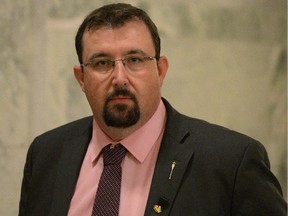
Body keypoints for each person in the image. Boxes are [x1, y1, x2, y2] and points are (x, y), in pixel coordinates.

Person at [19, 3, 287, 216]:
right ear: (81, 78)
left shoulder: (231, 162)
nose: (120, 78)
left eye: (134, 60)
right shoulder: (46, 155)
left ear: (160, 70)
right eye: (102, 63)